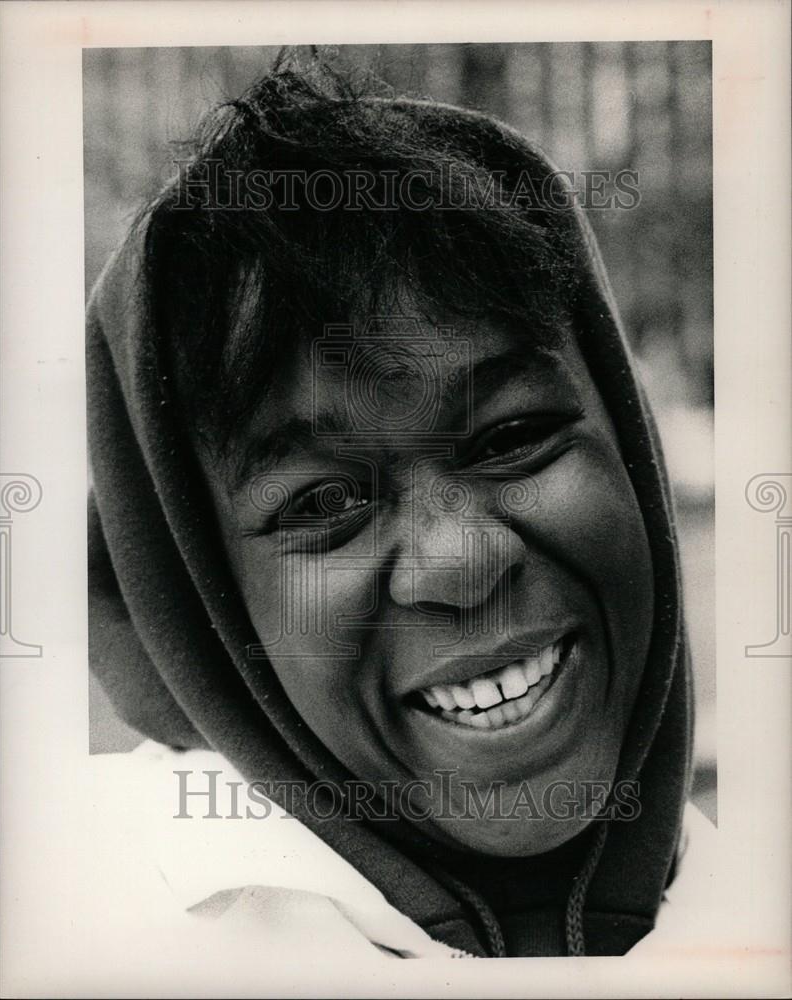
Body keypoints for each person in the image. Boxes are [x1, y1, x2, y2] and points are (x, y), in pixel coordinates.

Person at [87, 54, 716, 961]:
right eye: (323, 502)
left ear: (628, 447)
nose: (461, 562)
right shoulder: (90, 928)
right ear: (202, 605)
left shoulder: (753, 906)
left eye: (511, 438)